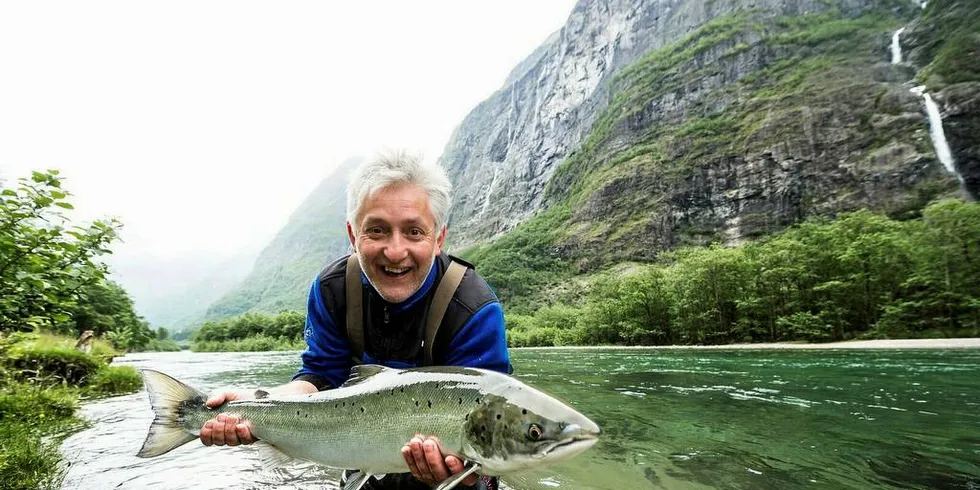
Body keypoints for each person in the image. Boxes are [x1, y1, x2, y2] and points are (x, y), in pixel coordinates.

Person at [198, 151, 510, 490]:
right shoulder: (333, 289)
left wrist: (465, 476)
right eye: (376, 230)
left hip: (456, 470)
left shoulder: (474, 308)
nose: (395, 251)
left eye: (414, 232)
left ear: (438, 239)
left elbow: (491, 426)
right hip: (364, 456)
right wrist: (258, 402)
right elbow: (319, 377)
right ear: (352, 235)